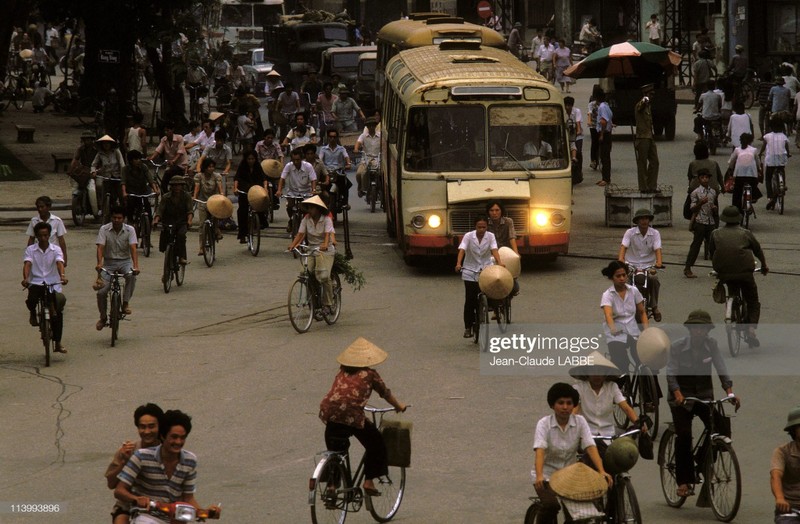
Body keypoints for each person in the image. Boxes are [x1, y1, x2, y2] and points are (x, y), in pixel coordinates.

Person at [319, 338, 407, 496]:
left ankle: (332, 487)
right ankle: (369, 482)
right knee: (377, 443)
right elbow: (385, 393)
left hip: (330, 412)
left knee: (336, 451)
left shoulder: (342, 371)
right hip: (351, 415)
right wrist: (398, 406)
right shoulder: (370, 374)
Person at [667, 310, 740, 499]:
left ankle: (701, 462)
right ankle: (684, 480)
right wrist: (678, 393)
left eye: (703, 329)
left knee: (721, 428)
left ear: (707, 330)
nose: (699, 332)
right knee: (684, 435)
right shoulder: (677, 347)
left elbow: (721, 367)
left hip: (704, 396)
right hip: (681, 399)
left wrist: (729, 392)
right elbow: (671, 373)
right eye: (695, 329)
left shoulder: (712, 345)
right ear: (690, 330)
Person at [115, 409, 220, 518]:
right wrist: (137, 499)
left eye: (182, 438)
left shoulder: (190, 460)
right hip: (146, 516)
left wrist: (206, 513)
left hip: (175, 518)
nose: (178, 442)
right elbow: (119, 491)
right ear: (163, 436)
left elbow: (188, 498)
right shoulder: (141, 456)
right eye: (174, 437)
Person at [532, 383, 613, 524]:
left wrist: (601, 471)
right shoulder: (544, 424)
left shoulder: (580, 422)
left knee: (581, 514)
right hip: (546, 476)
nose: (565, 407)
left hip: (569, 477)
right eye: (560, 403)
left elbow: (590, 446)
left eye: (569, 403)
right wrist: (539, 475)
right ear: (552, 405)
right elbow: (540, 450)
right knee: (551, 506)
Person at [710, 205, 768, 345]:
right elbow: (757, 249)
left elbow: (712, 251)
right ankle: (751, 330)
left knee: (733, 289)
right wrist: (764, 265)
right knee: (753, 300)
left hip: (724, 273)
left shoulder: (715, 233)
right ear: (738, 219)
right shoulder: (745, 233)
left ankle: (732, 304)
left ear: (724, 219)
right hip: (745, 273)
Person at [106, 403, 164, 524]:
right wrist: (124, 462)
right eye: (142, 427)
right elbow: (111, 484)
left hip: (160, 507)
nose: (147, 431)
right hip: (129, 506)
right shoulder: (128, 450)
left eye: (151, 426)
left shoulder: (167, 452)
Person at [570, 352, 641, 438]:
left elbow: (626, 408)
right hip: (586, 434)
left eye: (600, 371)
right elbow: (574, 411)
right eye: (593, 371)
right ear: (587, 373)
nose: (597, 375)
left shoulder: (612, 387)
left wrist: (638, 423)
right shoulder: (579, 388)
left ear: (606, 374)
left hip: (608, 434)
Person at [22, 222, 68, 353]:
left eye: (46, 235)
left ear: (49, 235)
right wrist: (26, 278)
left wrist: (62, 276)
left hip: (52, 283)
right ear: (36, 236)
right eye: (40, 236)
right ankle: (33, 314)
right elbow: (27, 264)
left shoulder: (56, 249)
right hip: (36, 282)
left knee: (58, 310)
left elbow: (60, 263)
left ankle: (58, 342)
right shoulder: (30, 250)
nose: (43, 238)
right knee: (31, 300)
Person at [455, 215, 503, 338]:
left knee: (491, 291)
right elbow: (462, 250)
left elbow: (494, 250)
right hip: (470, 270)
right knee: (470, 300)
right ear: (475, 227)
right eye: (479, 227)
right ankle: (468, 327)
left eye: (484, 227)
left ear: (487, 227)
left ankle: (492, 308)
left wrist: (499, 261)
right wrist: (459, 263)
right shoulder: (468, 236)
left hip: (486, 269)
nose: (481, 230)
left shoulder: (490, 236)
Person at [95, 205, 139, 330]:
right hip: (108, 263)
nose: (117, 220)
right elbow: (100, 247)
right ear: (111, 217)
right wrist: (99, 263)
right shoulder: (104, 229)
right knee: (101, 292)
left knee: (131, 275)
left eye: (119, 218)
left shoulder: (130, 230)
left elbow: (133, 248)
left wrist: (136, 266)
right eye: (114, 217)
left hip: (125, 262)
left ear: (124, 219)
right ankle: (103, 317)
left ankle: (125, 303)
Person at [287, 195, 336, 309]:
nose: (309, 210)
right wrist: (292, 245)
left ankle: (328, 303)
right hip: (311, 249)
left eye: (312, 208)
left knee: (323, 275)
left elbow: (328, 235)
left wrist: (324, 245)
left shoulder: (326, 219)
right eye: (308, 208)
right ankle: (313, 297)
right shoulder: (306, 219)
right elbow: (300, 234)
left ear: (318, 209)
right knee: (304, 273)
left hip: (325, 251)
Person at [600, 260, 648, 374]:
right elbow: (608, 315)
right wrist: (613, 329)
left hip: (633, 332)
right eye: (618, 276)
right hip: (616, 334)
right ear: (612, 278)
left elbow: (642, 312)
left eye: (624, 275)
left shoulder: (634, 291)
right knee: (621, 363)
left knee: (645, 359)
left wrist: (646, 331)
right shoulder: (607, 295)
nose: (622, 278)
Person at [618, 208, 663, 321]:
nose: (644, 221)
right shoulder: (630, 233)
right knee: (624, 282)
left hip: (649, 265)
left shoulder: (655, 233)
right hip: (631, 264)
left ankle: (654, 306)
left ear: (649, 220)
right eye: (641, 219)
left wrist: (659, 262)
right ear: (637, 221)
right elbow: (623, 247)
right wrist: (621, 260)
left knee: (654, 279)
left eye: (646, 218)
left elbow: (658, 249)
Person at [683, 170, 718, 278]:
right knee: (696, 245)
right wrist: (700, 203)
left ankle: (718, 268)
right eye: (702, 177)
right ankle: (688, 267)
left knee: (714, 246)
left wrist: (714, 209)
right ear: (699, 179)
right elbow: (692, 209)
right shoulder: (695, 193)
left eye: (707, 177)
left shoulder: (713, 192)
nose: (705, 179)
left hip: (710, 221)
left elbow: (715, 208)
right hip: (700, 221)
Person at [153, 177, 194, 267]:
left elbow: (190, 210)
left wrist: (189, 220)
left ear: (182, 186)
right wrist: (156, 220)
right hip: (169, 221)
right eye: (174, 185)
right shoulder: (166, 197)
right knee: (167, 237)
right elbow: (160, 210)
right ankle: (168, 261)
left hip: (182, 221)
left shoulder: (186, 196)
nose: (176, 187)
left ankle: (181, 256)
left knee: (181, 235)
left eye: (179, 185)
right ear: (171, 187)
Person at [771, 405, 800, 522]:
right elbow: (775, 476)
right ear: (793, 430)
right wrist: (780, 498)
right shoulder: (782, 452)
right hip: (790, 508)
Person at [277, 148, 318, 228]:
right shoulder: (289, 166)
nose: (296, 162)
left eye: (298, 160)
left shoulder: (308, 166)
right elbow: (282, 178)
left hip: (306, 192)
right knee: (289, 206)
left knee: (307, 209)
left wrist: (313, 190)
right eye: (294, 160)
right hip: (293, 191)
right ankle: (291, 219)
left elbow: (313, 180)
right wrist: (279, 190)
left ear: (302, 159)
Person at [232, 151, 266, 244]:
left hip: (256, 189)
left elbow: (264, 179)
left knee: (261, 206)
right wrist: (235, 188)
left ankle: (261, 223)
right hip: (244, 190)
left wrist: (265, 189)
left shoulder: (258, 167)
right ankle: (242, 234)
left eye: (253, 159)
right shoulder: (242, 166)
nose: (251, 161)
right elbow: (237, 178)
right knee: (242, 211)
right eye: (249, 159)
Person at [193, 158, 225, 252]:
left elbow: (220, 187)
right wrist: (194, 196)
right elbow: (197, 187)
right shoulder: (199, 176)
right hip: (203, 201)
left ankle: (216, 228)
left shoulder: (216, 176)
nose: (211, 169)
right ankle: (201, 247)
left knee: (215, 217)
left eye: (212, 167)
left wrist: (221, 194)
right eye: (209, 167)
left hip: (214, 200)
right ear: (205, 168)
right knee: (202, 224)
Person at [26, 195, 68, 267]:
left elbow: (61, 240)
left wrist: (64, 257)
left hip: (53, 254)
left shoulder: (57, 221)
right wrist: (28, 256)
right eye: (38, 207)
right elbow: (31, 239)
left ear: (48, 207)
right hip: (38, 253)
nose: (40, 209)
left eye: (42, 207)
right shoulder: (34, 221)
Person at [760, 116, 791, 210]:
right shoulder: (783, 136)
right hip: (781, 158)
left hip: (771, 160)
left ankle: (770, 197)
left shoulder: (768, 136)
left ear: (771, 127)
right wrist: (788, 154)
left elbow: (764, 146)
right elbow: (786, 147)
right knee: (782, 170)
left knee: (768, 179)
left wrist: (760, 153)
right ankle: (783, 185)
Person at [121, 150, 159, 226]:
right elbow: (123, 182)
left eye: (139, 159)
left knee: (147, 207)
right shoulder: (125, 169)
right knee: (130, 205)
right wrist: (124, 192)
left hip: (142, 191)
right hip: (131, 192)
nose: (138, 161)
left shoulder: (144, 167)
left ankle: (149, 225)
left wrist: (155, 190)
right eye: (136, 159)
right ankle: (130, 221)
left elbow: (150, 180)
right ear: (131, 161)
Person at [727, 132, 763, 212]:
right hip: (752, 176)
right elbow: (758, 162)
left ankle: (736, 210)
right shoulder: (754, 150)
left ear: (740, 141)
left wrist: (730, 169)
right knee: (753, 186)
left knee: (737, 192)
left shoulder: (737, 150)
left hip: (739, 176)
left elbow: (731, 162)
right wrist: (759, 169)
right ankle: (753, 197)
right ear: (750, 141)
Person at [92, 135, 127, 216]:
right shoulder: (100, 154)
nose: (106, 145)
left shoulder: (116, 151)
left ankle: (124, 211)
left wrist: (123, 176)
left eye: (108, 143)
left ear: (111, 144)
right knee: (103, 193)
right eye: (104, 143)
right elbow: (93, 164)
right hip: (106, 177)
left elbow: (122, 164)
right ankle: (103, 210)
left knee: (121, 195)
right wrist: (93, 171)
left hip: (117, 177)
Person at [634, 84, 660, 192]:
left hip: (649, 137)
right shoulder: (641, 105)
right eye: (650, 94)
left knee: (655, 162)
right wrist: (645, 99)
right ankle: (643, 187)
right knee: (642, 164)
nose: (652, 96)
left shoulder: (649, 106)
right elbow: (641, 105)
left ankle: (651, 185)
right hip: (642, 138)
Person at [319, 128, 352, 208]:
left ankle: (345, 202)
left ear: (337, 138)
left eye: (334, 137)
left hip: (338, 172)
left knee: (345, 183)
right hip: (327, 172)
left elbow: (346, 157)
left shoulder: (341, 149)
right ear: (328, 137)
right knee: (320, 185)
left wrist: (348, 164)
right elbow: (320, 160)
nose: (332, 139)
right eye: (330, 137)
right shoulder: (323, 149)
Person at [354, 117, 380, 198]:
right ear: (367, 127)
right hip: (366, 160)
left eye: (373, 125)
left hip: (378, 159)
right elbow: (358, 143)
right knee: (359, 174)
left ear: (375, 126)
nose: (371, 127)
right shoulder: (363, 136)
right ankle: (361, 188)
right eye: (369, 126)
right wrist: (356, 149)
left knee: (381, 174)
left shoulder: (380, 136)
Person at [564, 96, 583, 184]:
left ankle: (579, 171)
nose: (567, 107)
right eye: (566, 105)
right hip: (566, 135)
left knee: (578, 152)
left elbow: (578, 122)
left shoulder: (576, 111)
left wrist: (578, 130)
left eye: (569, 106)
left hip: (576, 135)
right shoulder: (562, 112)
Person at [595, 89, 613, 186]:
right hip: (608, 132)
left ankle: (606, 179)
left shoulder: (601, 107)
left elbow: (603, 121)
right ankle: (605, 177)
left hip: (604, 134)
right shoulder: (606, 105)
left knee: (604, 157)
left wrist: (601, 134)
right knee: (605, 156)